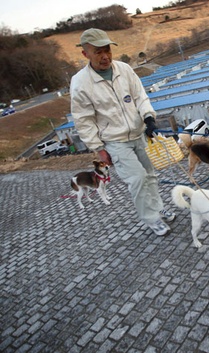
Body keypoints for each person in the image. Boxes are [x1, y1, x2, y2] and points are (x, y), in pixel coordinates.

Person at [70, 28, 175, 236]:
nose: (105, 56)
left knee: (151, 175)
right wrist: (98, 149)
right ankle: (151, 217)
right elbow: (83, 120)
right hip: (115, 141)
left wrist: (148, 118)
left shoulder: (124, 69)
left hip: (139, 132)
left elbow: (140, 96)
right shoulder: (80, 83)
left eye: (107, 49)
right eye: (98, 51)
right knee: (137, 179)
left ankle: (157, 206)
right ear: (85, 54)